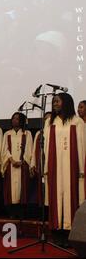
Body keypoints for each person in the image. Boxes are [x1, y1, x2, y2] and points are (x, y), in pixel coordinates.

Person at [45, 93, 85, 247]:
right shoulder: (50, 122)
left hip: (72, 167)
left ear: (66, 103)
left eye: (57, 101)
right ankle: (57, 233)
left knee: (70, 198)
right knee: (56, 198)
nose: (55, 104)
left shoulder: (77, 122)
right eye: (53, 102)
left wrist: (81, 169)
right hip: (55, 167)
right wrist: (46, 167)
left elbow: (82, 146)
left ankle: (69, 234)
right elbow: (47, 146)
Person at [1, 112, 33, 219]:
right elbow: (4, 149)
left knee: (21, 189)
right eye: (13, 118)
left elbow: (29, 149)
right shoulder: (7, 134)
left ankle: (21, 212)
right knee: (11, 189)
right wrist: (11, 159)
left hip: (22, 165)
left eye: (17, 119)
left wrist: (22, 161)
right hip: (10, 165)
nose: (15, 120)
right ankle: (11, 212)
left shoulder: (27, 134)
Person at [30, 112, 52, 210]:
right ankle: (43, 211)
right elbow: (35, 149)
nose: (47, 121)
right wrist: (33, 164)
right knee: (41, 190)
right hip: (41, 164)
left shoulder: (56, 131)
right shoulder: (39, 133)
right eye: (45, 119)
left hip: (52, 165)